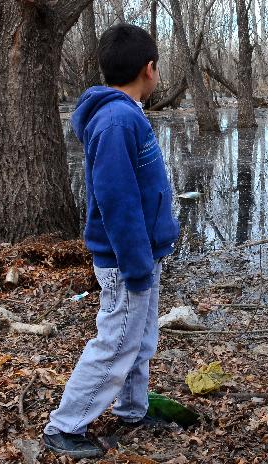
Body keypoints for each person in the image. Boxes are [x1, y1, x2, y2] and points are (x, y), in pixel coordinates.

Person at [42, 24, 179, 459]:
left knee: (140, 339)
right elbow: (117, 199)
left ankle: (133, 410)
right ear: (149, 68)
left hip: (143, 254)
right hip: (126, 259)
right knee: (117, 340)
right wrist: (137, 263)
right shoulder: (117, 119)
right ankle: (64, 426)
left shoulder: (127, 113)